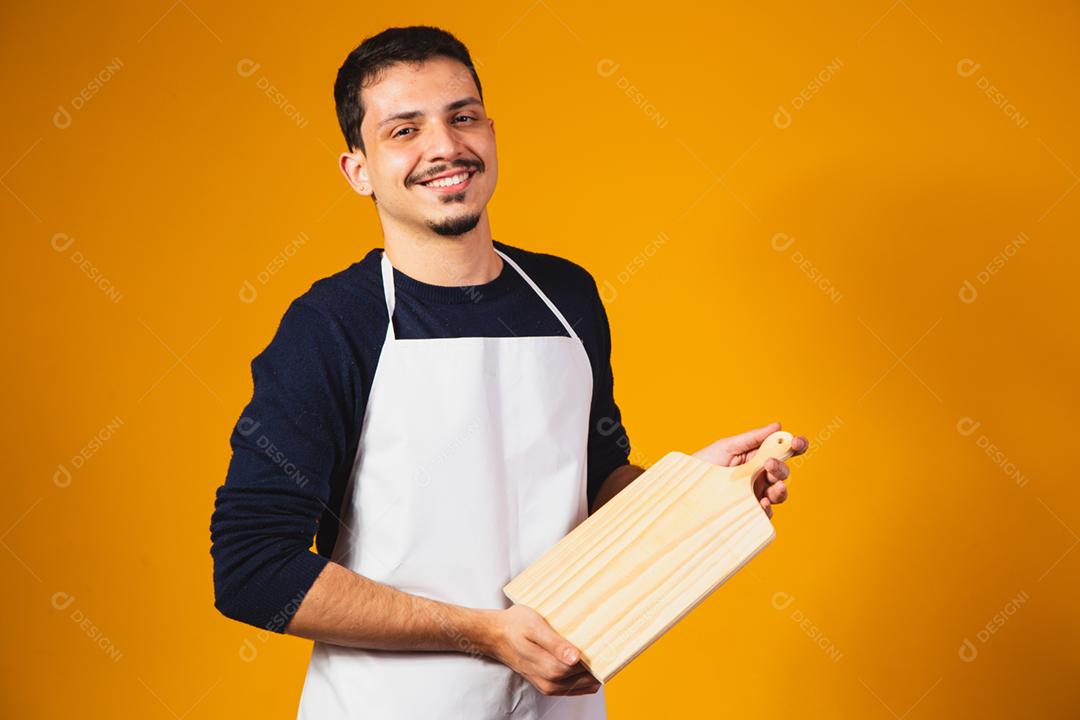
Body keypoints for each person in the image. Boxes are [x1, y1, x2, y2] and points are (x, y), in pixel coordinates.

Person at [209, 25, 808, 720]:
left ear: (490, 132)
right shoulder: (330, 327)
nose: (445, 147)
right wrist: (485, 634)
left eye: (462, 117)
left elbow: (589, 475)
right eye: (405, 130)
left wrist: (693, 495)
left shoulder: (568, 296)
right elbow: (253, 570)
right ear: (359, 170)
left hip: (562, 704)